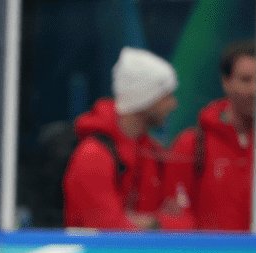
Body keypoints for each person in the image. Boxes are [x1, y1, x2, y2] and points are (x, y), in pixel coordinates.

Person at [165, 40, 256, 232]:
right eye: (245, 80)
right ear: (226, 82)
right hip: (209, 252)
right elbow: (177, 219)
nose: (255, 90)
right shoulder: (191, 144)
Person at [62, 47, 191, 230]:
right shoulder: (93, 155)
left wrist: (151, 223)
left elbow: (188, 225)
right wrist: (158, 223)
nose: (174, 104)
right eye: (167, 96)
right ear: (145, 97)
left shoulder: (154, 153)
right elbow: (109, 231)